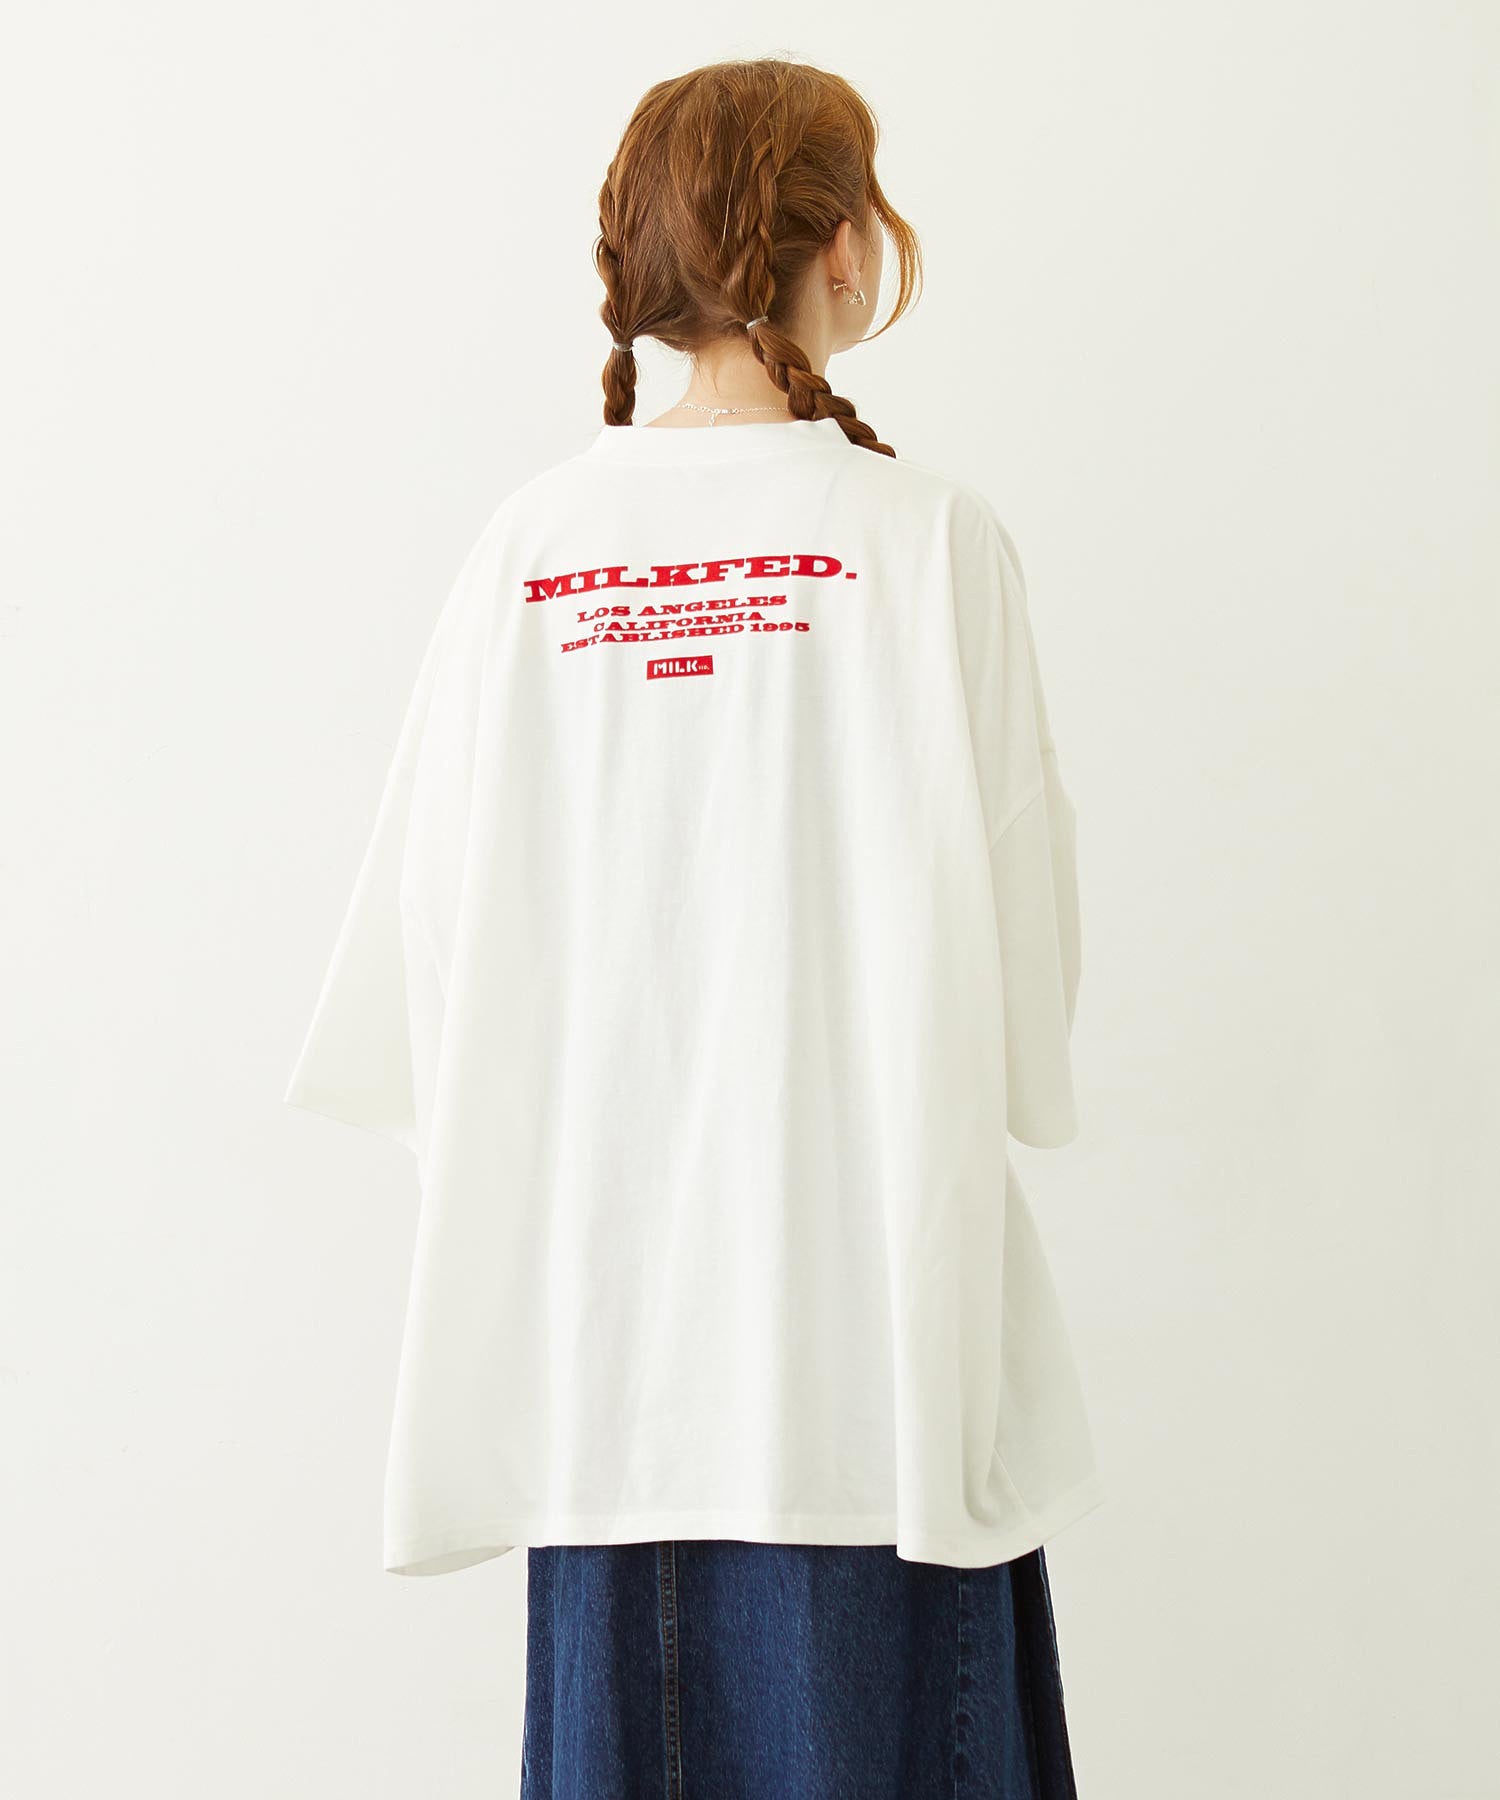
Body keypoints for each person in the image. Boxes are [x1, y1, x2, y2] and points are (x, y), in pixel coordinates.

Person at [285, 54, 1104, 1800]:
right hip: (870, 1378)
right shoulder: (926, 544)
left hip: (601, 1391)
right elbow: (1025, 1002)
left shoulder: (526, 555)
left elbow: (424, 990)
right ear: (840, 249)